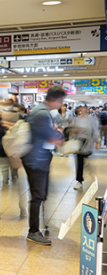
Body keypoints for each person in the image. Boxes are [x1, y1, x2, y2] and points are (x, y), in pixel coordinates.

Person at [21, 86, 66, 246]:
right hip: (36, 160)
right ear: (56, 99)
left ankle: (40, 226)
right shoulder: (41, 113)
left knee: (40, 194)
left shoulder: (41, 111)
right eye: (61, 101)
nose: (61, 104)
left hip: (38, 158)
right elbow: (54, 138)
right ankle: (33, 231)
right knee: (37, 196)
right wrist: (59, 134)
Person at [71, 105, 99, 191]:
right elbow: (72, 130)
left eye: (85, 110)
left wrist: (97, 141)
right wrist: (74, 132)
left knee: (84, 160)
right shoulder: (76, 119)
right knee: (80, 161)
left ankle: (88, 171)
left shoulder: (91, 120)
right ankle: (79, 180)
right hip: (78, 142)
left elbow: (94, 130)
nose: (83, 111)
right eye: (82, 110)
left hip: (87, 142)